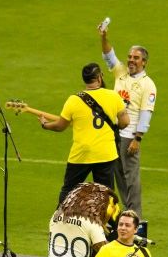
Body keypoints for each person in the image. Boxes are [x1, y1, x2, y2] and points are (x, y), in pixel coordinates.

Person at [39, 63, 129, 205]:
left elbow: (60, 126)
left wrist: (45, 125)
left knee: (68, 191)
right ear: (99, 77)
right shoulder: (113, 96)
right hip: (105, 153)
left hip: (81, 154)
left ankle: (58, 222)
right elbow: (125, 122)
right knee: (106, 195)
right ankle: (110, 225)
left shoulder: (74, 100)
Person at [100, 26, 157, 217]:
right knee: (118, 174)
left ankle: (136, 216)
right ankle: (127, 210)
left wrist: (137, 138)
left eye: (136, 58)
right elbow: (109, 55)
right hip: (113, 133)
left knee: (131, 177)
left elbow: (146, 113)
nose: (131, 60)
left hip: (129, 136)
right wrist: (104, 37)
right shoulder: (121, 73)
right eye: (130, 57)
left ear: (144, 62)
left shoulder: (147, 85)